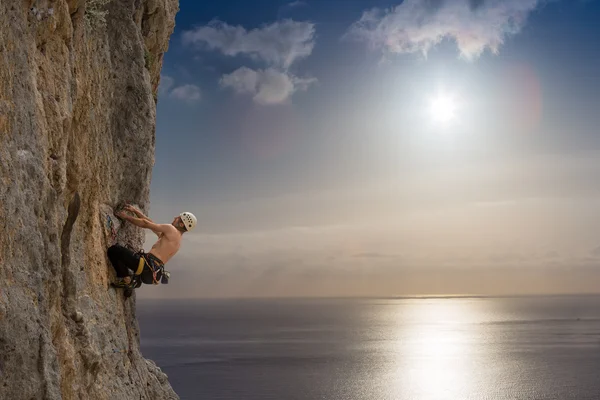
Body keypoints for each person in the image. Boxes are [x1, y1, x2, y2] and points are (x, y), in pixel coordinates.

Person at [107, 204, 196, 296]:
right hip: (153, 273)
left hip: (145, 265)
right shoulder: (177, 240)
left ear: (181, 224)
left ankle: (128, 280)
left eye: (178, 218)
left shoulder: (171, 229)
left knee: (114, 250)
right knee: (125, 255)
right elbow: (151, 223)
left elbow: (146, 224)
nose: (175, 217)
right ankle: (135, 280)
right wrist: (135, 211)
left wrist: (126, 217)